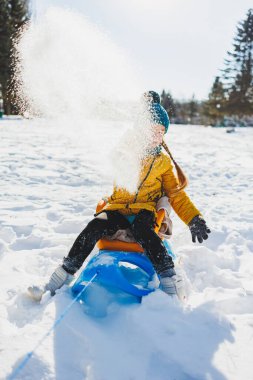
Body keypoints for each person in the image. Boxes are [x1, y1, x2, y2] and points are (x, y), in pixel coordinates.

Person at [28, 91, 210, 301]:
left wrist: (194, 218)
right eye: (151, 130)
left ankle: (170, 282)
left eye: (161, 131)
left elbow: (176, 195)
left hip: (144, 210)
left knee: (144, 231)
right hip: (118, 208)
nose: (157, 136)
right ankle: (57, 282)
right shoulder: (124, 150)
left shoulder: (163, 162)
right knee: (94, 226)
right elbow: (114, 158)